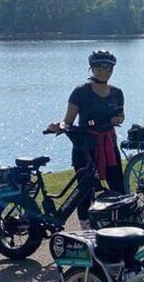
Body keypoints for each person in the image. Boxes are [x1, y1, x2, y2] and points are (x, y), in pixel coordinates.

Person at [46, 50, 125, 230]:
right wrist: (58, 126)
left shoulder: (117, 93)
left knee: (118, 186)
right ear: (92, 69)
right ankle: (86, 228)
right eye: (99, 67)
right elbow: (68, 121)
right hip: (84, 146)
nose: (104, 71)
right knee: (85, 190)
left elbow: (121, 115)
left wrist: (116, 120)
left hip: (109, 145)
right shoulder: (81, 92)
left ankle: (120, 224)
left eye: (108, 68)